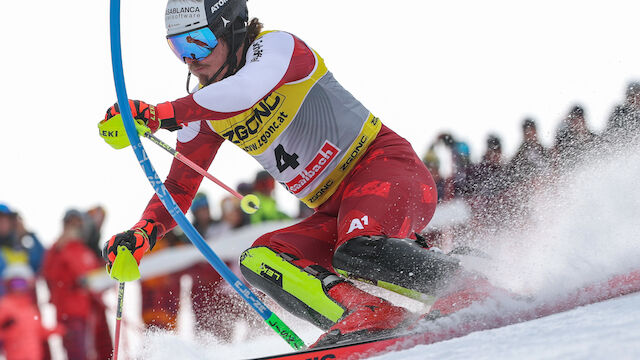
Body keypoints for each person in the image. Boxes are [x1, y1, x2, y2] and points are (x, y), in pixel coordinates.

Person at [99, 0, 454, 347]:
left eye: (199, 40)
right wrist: (142, 234)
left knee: (355, 248)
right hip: (336, 212)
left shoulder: (277, 48)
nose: (191, 58)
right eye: (178, 47)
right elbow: (178, 187)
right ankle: (370, 313)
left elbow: (245, 91)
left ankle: (462, 283)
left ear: (233, 30)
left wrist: (159, 113)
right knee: (261, 259)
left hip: (387, 172)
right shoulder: (201, 110)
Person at [41, 209, 112, 360]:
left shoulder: (86, 250)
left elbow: (101, 278)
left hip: (88, 312)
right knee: (78, 355)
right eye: (70, 223)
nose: (74, 227)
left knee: (99, 352)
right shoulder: (57, 249)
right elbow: (49, 276)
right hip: (69, 315)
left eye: (78, 223)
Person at [0, 265, 62, 360]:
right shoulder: (4, 306)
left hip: (34, 355)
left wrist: (61, 330)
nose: (18, 288)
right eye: (15, 283)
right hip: (15, 356)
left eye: (22, 283)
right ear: (8, 285)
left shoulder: (30, 308)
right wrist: (5, 330)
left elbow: (39, 331)